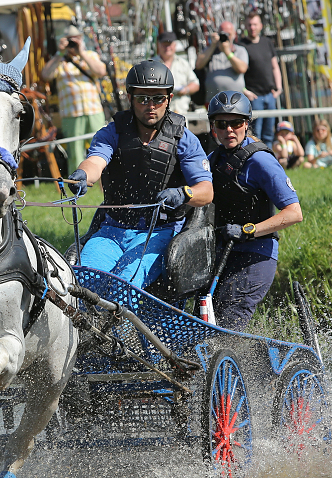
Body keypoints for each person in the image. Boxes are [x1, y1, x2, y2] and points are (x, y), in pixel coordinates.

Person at [66, 60, 213, 289]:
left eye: (158, 98)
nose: (150, 105)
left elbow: (206, 192)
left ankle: (120, 325)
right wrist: (83, 175)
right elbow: (95, 162)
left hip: (161, 231)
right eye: (143, 98)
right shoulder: (112, 131)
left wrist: (183, 193)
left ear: (169, 99)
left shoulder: (185, 139)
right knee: (80, 283)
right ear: (130, 98)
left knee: (125, 285)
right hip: (112, 230)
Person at [205, 90, 302, 327]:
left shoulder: (260, 160)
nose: (229, 129)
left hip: (256, 256)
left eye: (236, 123)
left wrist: (247, 230)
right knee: (206, 322)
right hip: (223, 254)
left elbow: (293, 213)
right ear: (213, 127)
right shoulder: (212, 159)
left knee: (228, 324)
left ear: (246, 124)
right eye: (222, 123)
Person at [40, 25, 107, 172]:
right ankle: (78, 186)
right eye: (70, 40)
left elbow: (101, 71)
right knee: (75, 153)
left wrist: (81, 52)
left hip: (93, 110)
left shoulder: (89, 56)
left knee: (102, 149)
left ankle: (106, 183)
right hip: (71, 114)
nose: (73, 42)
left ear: (81, 39)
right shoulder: (59, 61)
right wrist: (60, 52)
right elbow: (45, 75)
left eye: (76, 38)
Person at [240, 12, 283, 148]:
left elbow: (275, 66)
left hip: (270, 94)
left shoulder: (267, 42)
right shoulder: (241, 45)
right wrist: (245, 91)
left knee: (269, 133)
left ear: (260, 26)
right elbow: (237, 72)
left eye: (255, 24)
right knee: (255, 134)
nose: (252, 27)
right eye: (249, 24)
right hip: (253, 97)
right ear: (245, 26)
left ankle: (269, 163)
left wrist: (279, 87)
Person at [195, 21, 249, 102]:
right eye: (223, 34)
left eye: (229, 34)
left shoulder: (240, 50)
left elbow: (242, 69)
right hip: (213, 101)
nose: (226, 37)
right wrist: (212, 45)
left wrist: (227, 52)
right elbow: (198, 65)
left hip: (236, 100)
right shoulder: (210, 50)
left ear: (234, 35)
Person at [152, 31, 200, 114]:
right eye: (164, 44)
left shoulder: (183, 63)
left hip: (182, 111)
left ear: (175, 45)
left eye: (169, 44)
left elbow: (195, 84)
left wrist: (186, 90)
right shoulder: (151, 64)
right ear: (158, 45)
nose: (167, 47)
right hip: (158, 111)